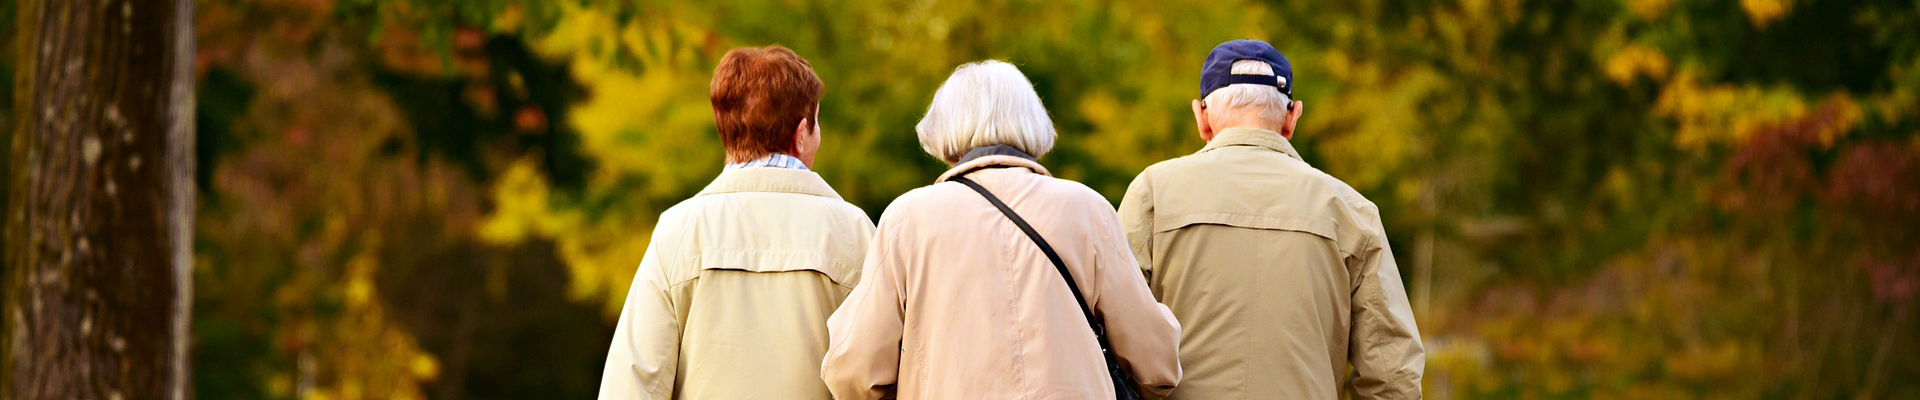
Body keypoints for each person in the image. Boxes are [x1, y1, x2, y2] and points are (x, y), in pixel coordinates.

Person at [821, 60, 1182, 399]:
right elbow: (1156, 364)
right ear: (1034, 122)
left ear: (942, 130)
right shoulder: (1088, 209)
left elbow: (853, 371)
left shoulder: (908, 219)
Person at [1115, 39, 1426, 399]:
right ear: (1292, 117)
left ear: (1201, 116)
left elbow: (1112, 332)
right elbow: (1391, 377)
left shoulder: (1152, 193)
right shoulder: (1350, 210)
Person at [597, 45, 875, 400]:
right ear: (801, 133)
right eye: (817, 123)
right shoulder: (853, 232)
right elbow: (876, 375)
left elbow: (632, 384)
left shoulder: (679, 232)